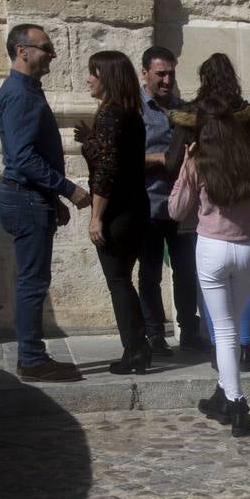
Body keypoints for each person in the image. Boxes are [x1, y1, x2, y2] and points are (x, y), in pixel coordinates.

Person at [167, 53, 250, 372]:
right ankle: (246, 347)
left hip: (203, 214)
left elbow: (175, 158)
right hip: (247, 212)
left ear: (204, 79)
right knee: (244, 287)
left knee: (211, 285)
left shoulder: (190, 116)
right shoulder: (248, 115)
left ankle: (221, 351)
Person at [169, 96, 250, 437]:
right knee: (232, 325)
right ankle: (222, 394)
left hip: (212, 248)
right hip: (246, 247)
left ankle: (237, 402)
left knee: (224, 331)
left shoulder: (198, 160)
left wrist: (185, 166)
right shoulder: (249, 159)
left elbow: (176, 209)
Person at [0, 24, 91, 382]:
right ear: (23, 51)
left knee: (32, 280)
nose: (52, 54)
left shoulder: (27, 90)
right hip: (25, 199)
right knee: (32, 283)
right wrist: (68, 189)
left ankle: (33, 356)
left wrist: (53, 197)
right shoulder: (20, 95)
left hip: (33, 197)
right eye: (46, 48)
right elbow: (22, 158)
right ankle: (32, 359)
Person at [75, 51, 151, 375]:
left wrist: (96, 216)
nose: (89, 79)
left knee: (118, 281)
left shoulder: (111, 115)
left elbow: (106, 171)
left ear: (107, 77)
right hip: (136, 207)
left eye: (93, 73)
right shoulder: (128, 113)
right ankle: (138, 347)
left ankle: (134, 351)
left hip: (117, 211)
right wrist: (89, 139)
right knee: (124, 281)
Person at [136, 46, 205, 357]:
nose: (166, 80)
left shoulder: (183, 110)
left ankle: (189, 332)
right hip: (149, 204)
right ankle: (154, 335)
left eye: (171, 74)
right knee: (150, 272)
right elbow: (123, 158)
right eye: (160, 73)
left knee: (186, 271)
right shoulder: (134, 109)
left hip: (182, 206)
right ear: (145, 74)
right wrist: (161, 159)